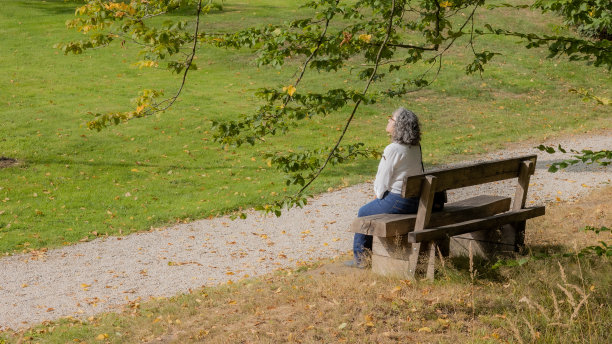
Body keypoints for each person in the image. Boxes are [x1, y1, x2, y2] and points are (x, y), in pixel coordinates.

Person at [345, 107, 423, 268]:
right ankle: (366, 256)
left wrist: (379, 197)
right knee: (369, 209)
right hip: (416, 200)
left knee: (363, 212)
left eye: (391, 119)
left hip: (398, 200)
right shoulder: (415, 147)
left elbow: (382, 181)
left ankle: (361, 260)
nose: (388, 121)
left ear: (399, 125)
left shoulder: (393, 149)